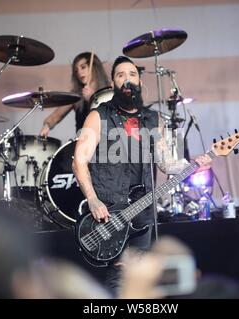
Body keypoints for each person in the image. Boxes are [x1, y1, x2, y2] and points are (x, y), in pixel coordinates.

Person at [72, 56, 211, 292]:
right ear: (113, 84)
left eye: (132, 74)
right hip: (109, 213)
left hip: (142, 213)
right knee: (119, 278)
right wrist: (93, 200)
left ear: (140, 82)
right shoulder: (98, 116)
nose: (127, 79)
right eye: (120, 75)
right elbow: (79, 162)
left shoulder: (152, 119)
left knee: (142, 281)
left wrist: (192, 164)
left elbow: (166, 163)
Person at [40, 52, 110, 137]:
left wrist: (93, 99)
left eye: (83, 67)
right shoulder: (76, 95)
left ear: (94, 67)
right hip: (82, 144)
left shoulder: (109, 90)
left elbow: (113, 116)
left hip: (106, 143)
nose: (79, 72)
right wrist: (47, 126)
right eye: (76, 70)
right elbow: (56, 116)